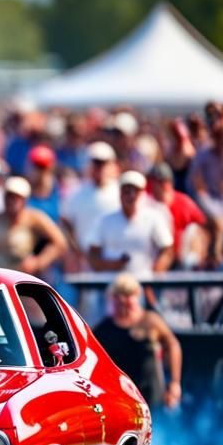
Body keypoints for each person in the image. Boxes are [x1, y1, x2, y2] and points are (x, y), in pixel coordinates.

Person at [93, 273, 182, 410]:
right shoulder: (103, 329)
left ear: (137, 296)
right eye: (118, 296)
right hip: (119, 399)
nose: (123, 301)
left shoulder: (150, 321)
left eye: (128, 295)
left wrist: (175, 382)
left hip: (151, 396)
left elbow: (172, 345)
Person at [87, 171, 174, 277]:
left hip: (143, 284)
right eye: (127, 191)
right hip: (110, 286)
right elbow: (92, 254)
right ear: (120, 192)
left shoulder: (153, 218)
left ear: (142, 193)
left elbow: (167, 251)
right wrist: (112, 265)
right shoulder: (105, 220)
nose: (131, 195)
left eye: (135, 191)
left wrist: (153, 277)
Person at [0, 176, 67, 274]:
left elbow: (60, 243)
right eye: (9, 196)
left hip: (22, 278)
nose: (11, 201)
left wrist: (38, 262)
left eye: (16, 197)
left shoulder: (34, 218)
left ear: (24, 200)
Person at [60, 141, 120, 264]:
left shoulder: (120, 192)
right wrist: (76, 251)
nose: (100, 167)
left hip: (114, 262)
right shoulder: (76, 194)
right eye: (96, 163)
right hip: (85, 264)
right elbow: (66, 224)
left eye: (104, 163)